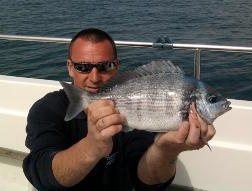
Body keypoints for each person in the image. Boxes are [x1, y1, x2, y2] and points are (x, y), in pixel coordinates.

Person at [23, 28, 216, 191]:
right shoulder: (47, 109)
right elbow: (41, 173)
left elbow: (147, 182)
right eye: (83, 67)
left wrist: (165, 149)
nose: (95, 77)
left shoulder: (136, 113)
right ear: (70, 67)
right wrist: (92, 147)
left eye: (105, 66)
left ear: (116, 67)